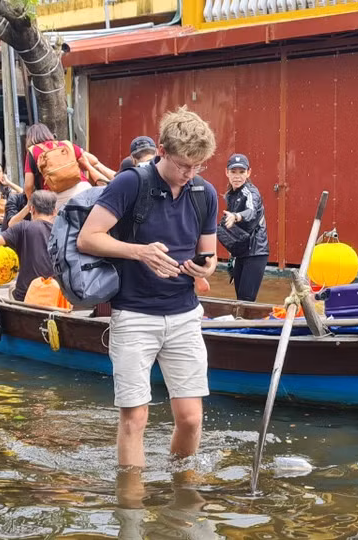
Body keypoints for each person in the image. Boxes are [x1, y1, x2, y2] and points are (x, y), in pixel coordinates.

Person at [77, 106, 219, 473]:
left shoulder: (205, 192)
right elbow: (88, 239)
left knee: (190, 418)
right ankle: (133, 509)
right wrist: (139, 252)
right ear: (162, 150)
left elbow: (210, 255)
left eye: (198, 166)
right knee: (134, 418)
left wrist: (203, 267)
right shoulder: (131, 183)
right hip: (135, 313)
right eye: (184, 164)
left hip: (185, 313)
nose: (190, 174)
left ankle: (181, 492)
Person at [0, 190, 57, 302]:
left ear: (32, 209)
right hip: (55, 292)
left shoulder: (23, 227)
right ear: (55, 211)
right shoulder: (61, 230)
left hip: (27, 293)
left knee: (12, 289)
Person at [219, 153, 269, 302]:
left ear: (248, 173)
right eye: (233, 172)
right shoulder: (231, 194)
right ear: (227, 172)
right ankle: (240, 324)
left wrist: (236, 216)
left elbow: (251, 211)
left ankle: (247, 325)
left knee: (246, 300)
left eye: (241, 172)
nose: (237, 176)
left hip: (256, 252)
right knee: (239, 299)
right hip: (241, 251)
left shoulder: (251, 192)